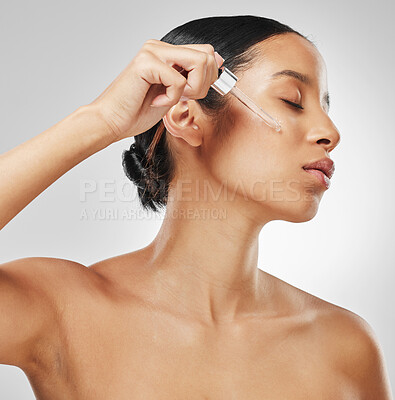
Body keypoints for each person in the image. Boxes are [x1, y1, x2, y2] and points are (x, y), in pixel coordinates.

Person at [0, 14, 392, 399]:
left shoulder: (344, 347)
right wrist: (100, 120)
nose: (331, 132)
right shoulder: (61, 309)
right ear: (187, 118)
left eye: (326, 107)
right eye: (292, 100)